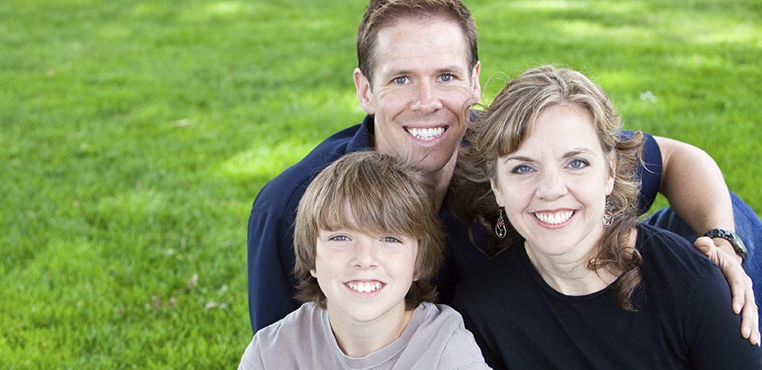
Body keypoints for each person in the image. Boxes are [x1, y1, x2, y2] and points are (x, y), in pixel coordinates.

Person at [246, 0, 762, 344]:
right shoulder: (295, 205)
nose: (428, 103)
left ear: (473, 82)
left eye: (446, 76)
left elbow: (676, 158)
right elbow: (287, 344)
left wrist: (722, 239)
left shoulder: (510, 146)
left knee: (725, 225)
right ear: (365, 88)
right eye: (401, 79)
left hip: (564, 307)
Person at [449, 65, 762, 368]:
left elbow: (679, 158)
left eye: (576, 163)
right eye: (523, 168)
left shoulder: (690, 285)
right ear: (497, 186)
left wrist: (725, 243)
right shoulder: (480, 312)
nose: (551, 189)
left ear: (610, 172)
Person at [240, 151, 491, 370]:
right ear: (312, 257)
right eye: (341, 237)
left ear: (418, 261)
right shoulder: (272, 353)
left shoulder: (446, 350)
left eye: (390, 239)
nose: (365, 259)